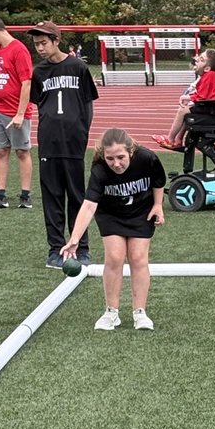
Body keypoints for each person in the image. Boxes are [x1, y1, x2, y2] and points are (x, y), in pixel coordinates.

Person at [61, 128, 166, 330]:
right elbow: (90, 205)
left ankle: (140, 313)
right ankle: (111, 312)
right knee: (115, 257)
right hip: (111, 214)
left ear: (131, 152)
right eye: (110, 158)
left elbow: (158, 181)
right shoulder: (100, 169)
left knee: (138, 258)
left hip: (140, 212)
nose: (116, 164)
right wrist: (75, 238)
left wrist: (158, 205)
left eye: (120, 157)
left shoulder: (146, 158)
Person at [29, 20, 100, 269]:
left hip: (73, 143)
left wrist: (81, 131)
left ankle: (80, 247)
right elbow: (41, 105)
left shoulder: (78, 67)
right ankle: (54, 249)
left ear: (56, 41)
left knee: (77, 196)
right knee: (52, 197)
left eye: (44, 43)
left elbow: (88, 104)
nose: (39, 48)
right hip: (48, 143)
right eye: (36, 44)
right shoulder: (39, 72)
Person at [0, 15, 34, 209]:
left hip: (14, 111)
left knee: (22, 151)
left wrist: (20, 113)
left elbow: (26, 82)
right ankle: (1, 195)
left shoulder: (19, 50)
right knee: (1, 151)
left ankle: (25, 194)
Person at [152, 49, 215, 149]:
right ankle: (178, 139)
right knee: (188, 110)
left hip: (214, 108)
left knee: (182, 111)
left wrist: (188, 97)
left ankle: (170, 139)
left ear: (207, 68)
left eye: (201, 60)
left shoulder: (209, 76)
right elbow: (204, 94)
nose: (196, 60)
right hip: (213, 105)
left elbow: (203, 97)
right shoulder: (210, 75)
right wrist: (189, 98)